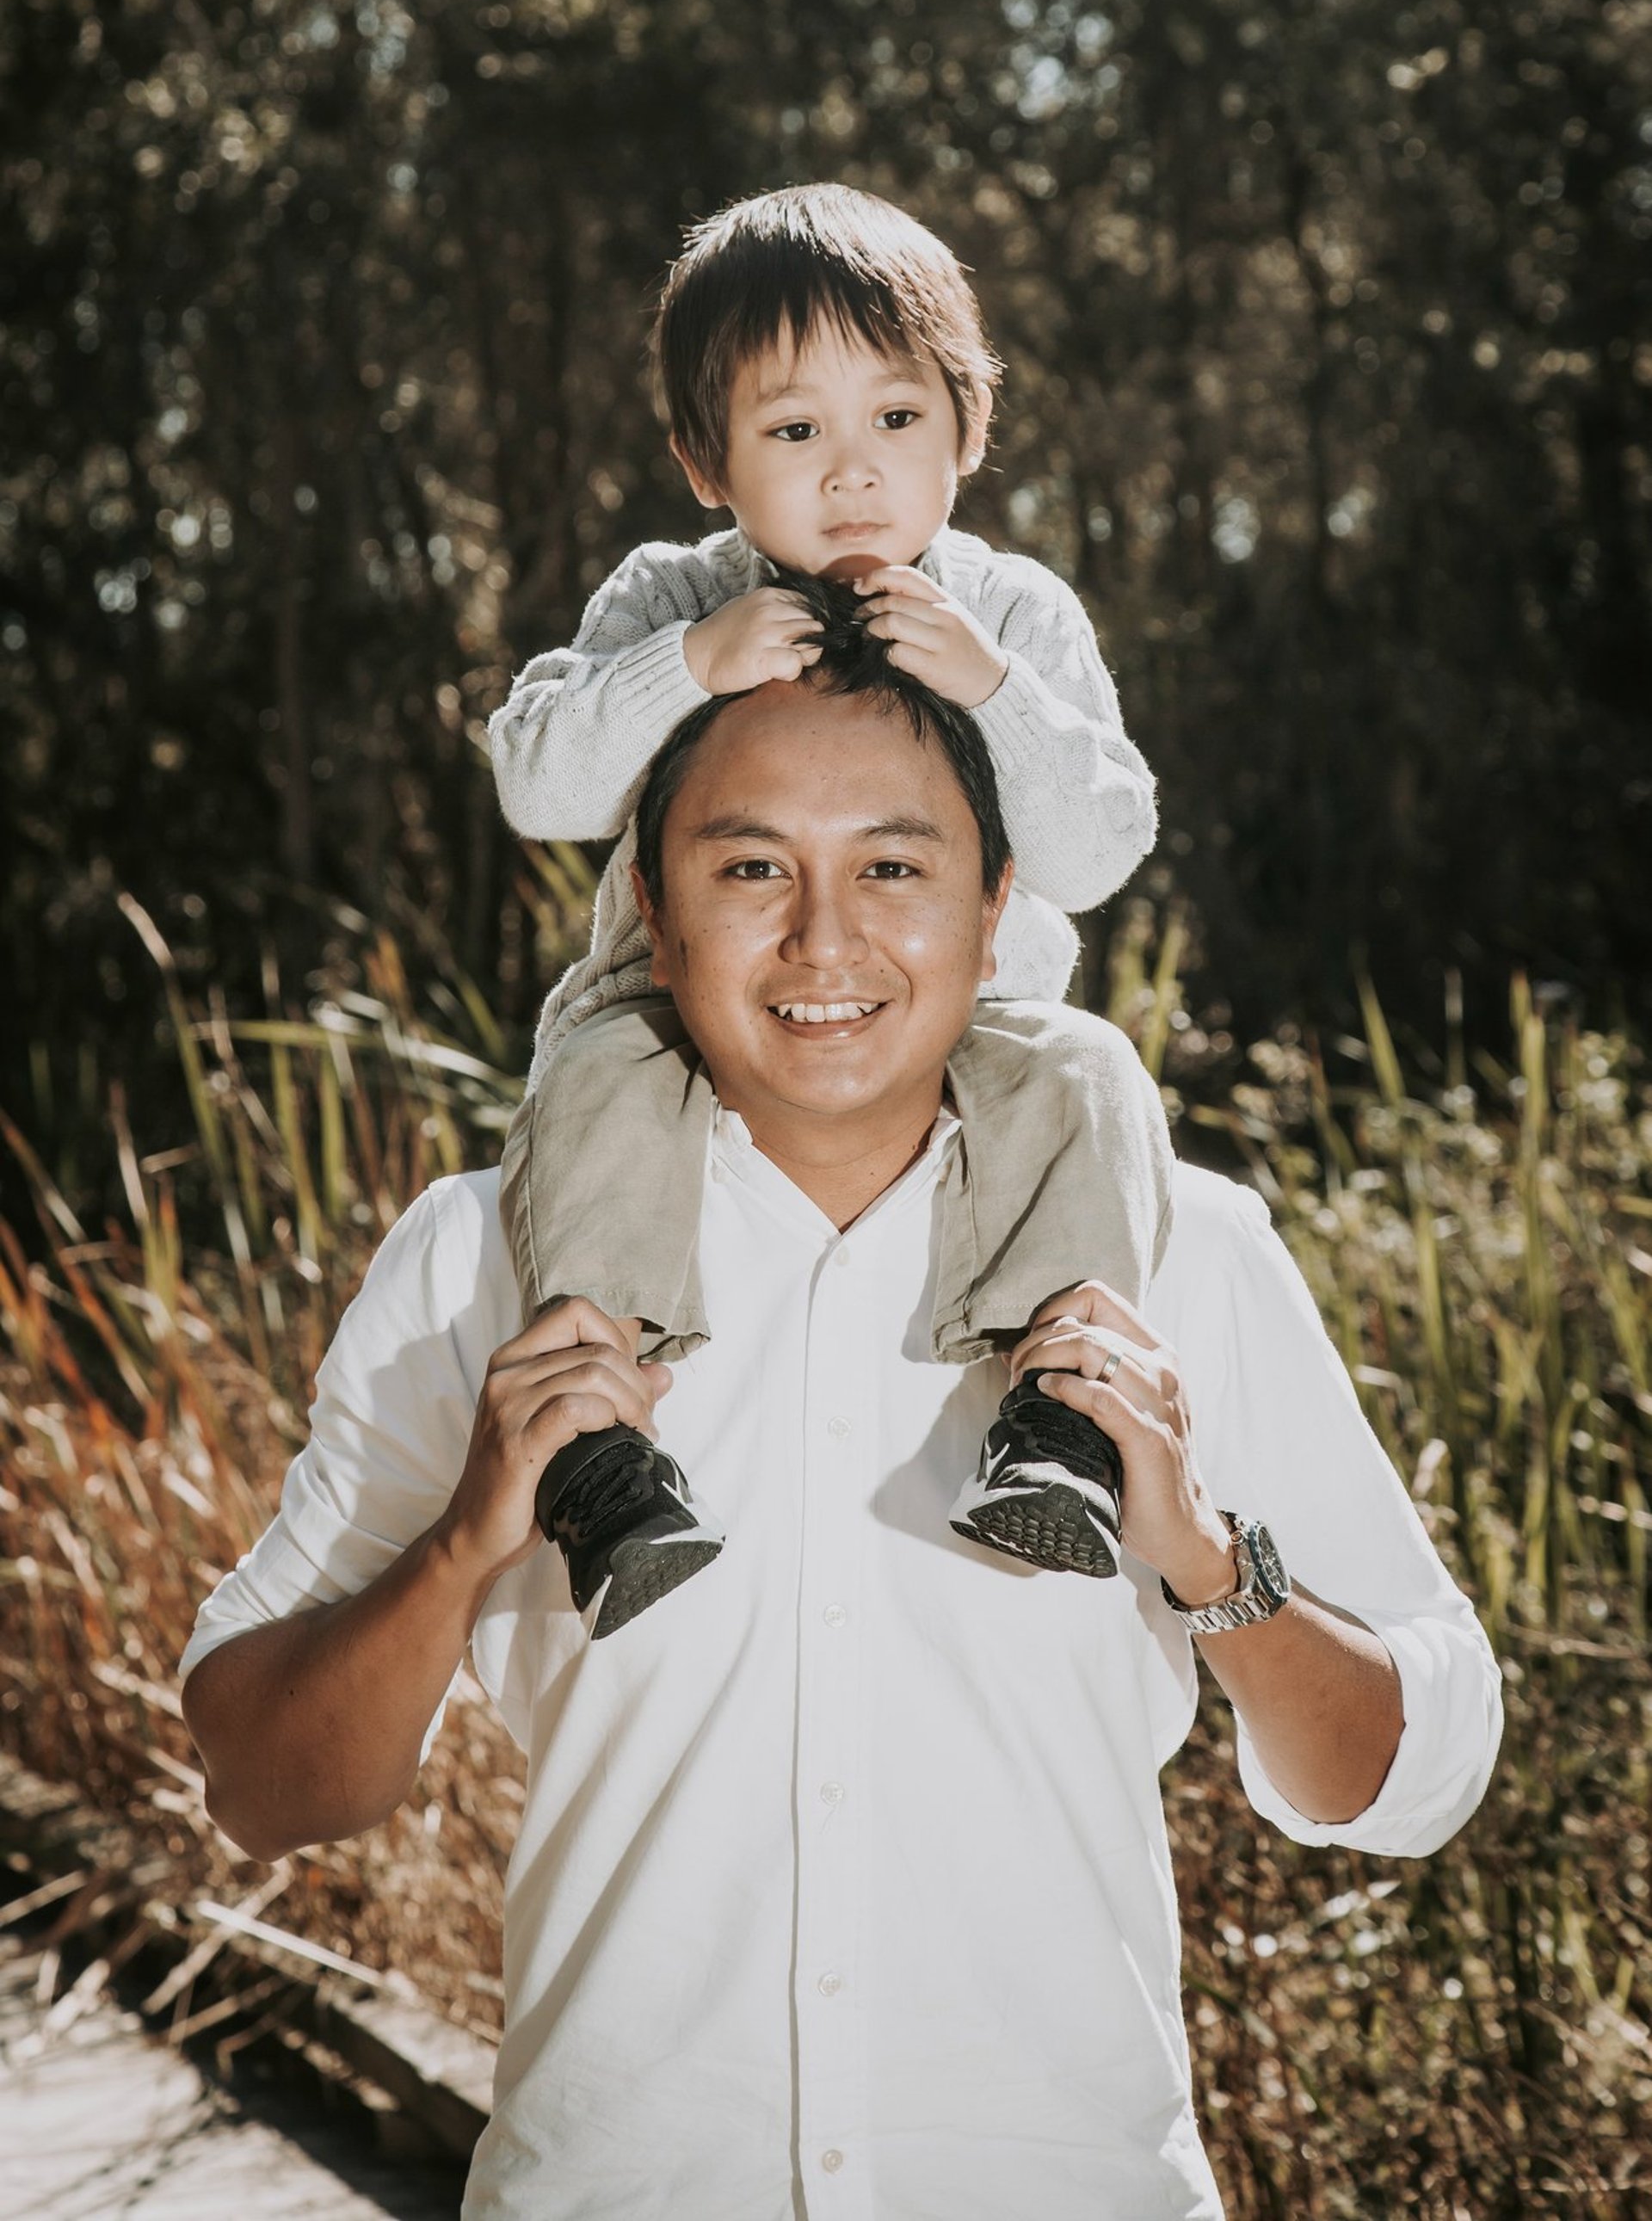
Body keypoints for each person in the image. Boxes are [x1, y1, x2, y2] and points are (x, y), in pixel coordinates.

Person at [180, 631, 1503, 2221]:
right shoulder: (480, 1261)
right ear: (652, 921)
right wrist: (469, 1542)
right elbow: (261, 1786)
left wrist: (1208, 1557)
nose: (824, 938)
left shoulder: (1181, 1253)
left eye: (894, 865)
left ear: (995, 907)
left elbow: (1419, 1774)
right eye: (750, 869)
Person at [487, 181, 1173, 1632]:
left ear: (967, 428)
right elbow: (540, 783)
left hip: (964, 1018)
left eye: (897, 422)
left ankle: (1062, 1423)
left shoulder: (1017, 614)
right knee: (597, 1076)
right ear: (705, 459)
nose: (853, 474)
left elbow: (1101, 846)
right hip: (689, 1015)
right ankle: (605, 1455)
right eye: (796, 432)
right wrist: (686, 663)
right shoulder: (672, 591)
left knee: (1090, 1075)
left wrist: (993, 687)